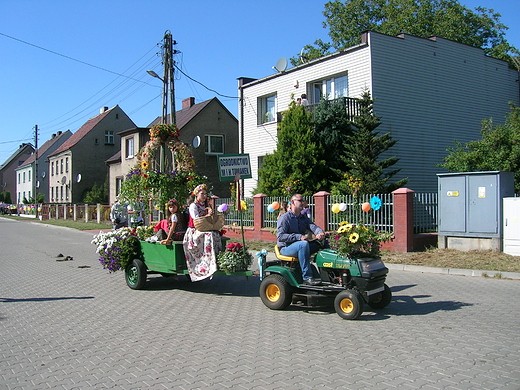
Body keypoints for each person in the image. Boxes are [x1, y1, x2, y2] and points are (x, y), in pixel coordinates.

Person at [276, 194, 326, 285]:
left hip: (301, 246)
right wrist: (298, 237)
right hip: (286, 248)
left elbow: (313, 226)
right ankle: (307, 277)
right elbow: (280, 236)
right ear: (292, 202)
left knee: (323, 242)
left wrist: (319, 232)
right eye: (300, 201)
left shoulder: (303, 217)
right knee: (303, 244)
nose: (303, 203)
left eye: (303, 201)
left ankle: (329, 275)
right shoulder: (285, 218)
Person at [182, 184, 222, 281]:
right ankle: (203, 263)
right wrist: (206, 215)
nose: (204, 196)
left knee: (215, 234)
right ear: (197, 195)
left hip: (204, 229)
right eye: (202, 194)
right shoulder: (193, 206)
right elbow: (196, 220)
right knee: (209, 236)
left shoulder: (206, 206)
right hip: (194, 231)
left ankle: (215, 260)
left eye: (205, 194)